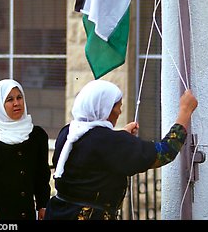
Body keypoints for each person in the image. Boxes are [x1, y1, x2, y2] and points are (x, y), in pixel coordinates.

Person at [44, 79, 198, 220]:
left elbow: (94, 150)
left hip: (58, 212)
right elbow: (165, 152)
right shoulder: (109, 142)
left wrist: (121, 135)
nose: (120, 111)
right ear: (106, 109)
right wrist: (185, 112)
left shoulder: (68, 132)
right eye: (118, 106)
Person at [0, 79, 51, 220]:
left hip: (26, 213)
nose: (16, 103)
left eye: (19, 98)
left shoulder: (36, 134)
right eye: (9, 99)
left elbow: (42, 175)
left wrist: (43, 205)